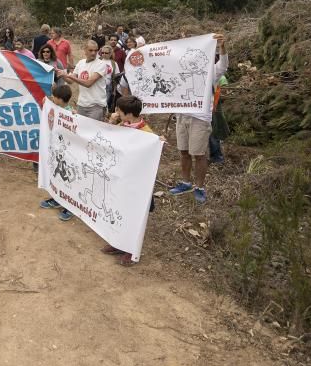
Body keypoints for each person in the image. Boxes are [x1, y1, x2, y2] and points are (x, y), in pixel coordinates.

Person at [169, 33, 228, 205]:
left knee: (199, 154)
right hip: (182, 115)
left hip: (200, 119)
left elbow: (223, 65)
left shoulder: (211, 71)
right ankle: (186, 183)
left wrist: (222, 47)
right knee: (184, 151)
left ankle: (199, 187)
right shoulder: (180, 71)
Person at [103, 94, 161, 265]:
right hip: (122, 179)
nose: (116, 113)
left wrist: (158, 143)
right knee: (120, 211)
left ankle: (131, 249)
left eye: (119, 111)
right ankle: (118, 243)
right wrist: (112, 122)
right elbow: (106, 138)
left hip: (137, 184)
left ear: (128, 113)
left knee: (134, 217)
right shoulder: (123, 125)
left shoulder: (147, 134)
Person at [40, 83, 76, 220]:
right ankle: (57, 198)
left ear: (61, 99)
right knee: (56, 177)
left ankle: (70, 206)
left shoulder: (69, 113)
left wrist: (74, 116)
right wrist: (46, 103)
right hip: (56, 153)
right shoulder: (54, 108)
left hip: (67, 155)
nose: (52, 99)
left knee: (68, 180)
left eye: (54, 97)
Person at [60, 40, 112, 121]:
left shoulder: (101, 64)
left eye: (96, 50)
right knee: (81, 131)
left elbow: (88, 83)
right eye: (91, 50)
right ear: (85, 50)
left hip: (96, 105)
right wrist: (61, 75)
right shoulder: (81, 63)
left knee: (93, 132)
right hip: (82, 104)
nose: (93, 53)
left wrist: (69, 75)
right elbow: (70, 81)